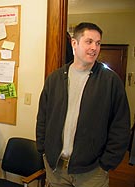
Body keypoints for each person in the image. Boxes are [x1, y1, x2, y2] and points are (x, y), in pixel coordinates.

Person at [36, 22, 131, 187]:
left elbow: (121, 125)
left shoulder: (110, 81)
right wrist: (43, 150)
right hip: (56, 169)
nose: (94, 47)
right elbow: (43, 117)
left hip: (92, 172)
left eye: (98, 43)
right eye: (89, 41)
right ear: (74, 43)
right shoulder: (55, 79)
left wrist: (106, 163)